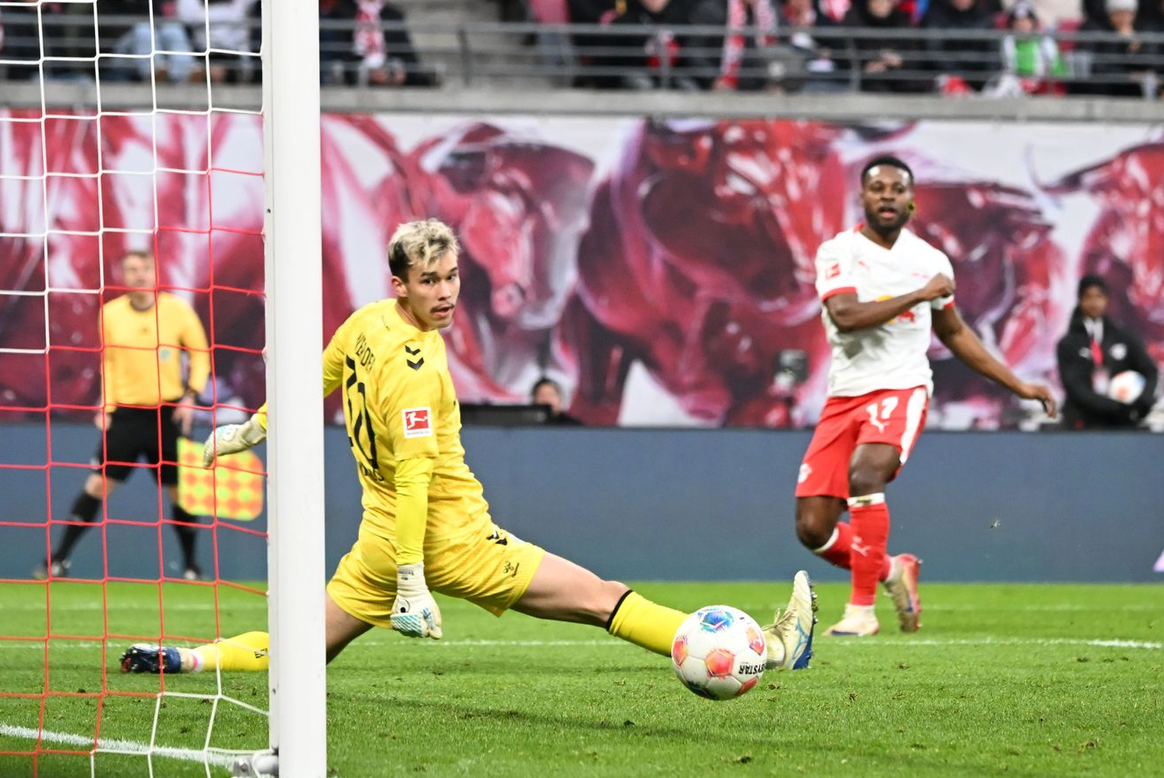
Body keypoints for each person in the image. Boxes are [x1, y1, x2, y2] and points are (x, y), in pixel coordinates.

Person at [120, 220, 816, 675]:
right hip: (450, 540)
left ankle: (188, 660)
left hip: (381, 538)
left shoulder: (365, 323)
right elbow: (416, 476)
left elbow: (313, 382)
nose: (446, 292)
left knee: (304, 651)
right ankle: (769, 652)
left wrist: (252, 428)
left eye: (452, 276)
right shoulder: (418, 367)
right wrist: (413, 580)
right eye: (430, 281)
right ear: (400, 284)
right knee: (602, 599)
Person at [795, 158, 1056, 638]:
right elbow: (846, 316)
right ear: (862, 197)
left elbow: (954, 333)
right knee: (814, 528)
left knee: (866, 474)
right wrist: (919, 295)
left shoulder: (931, 261)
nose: (887, 195)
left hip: (902, 385)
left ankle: (861, 612)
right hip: (844, 395)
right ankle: (893, 569)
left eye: (897, 188)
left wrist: (1017, 384)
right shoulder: (839, 252)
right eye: (878, 188)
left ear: (911, 200)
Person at [36, 250, 211, 580]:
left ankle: (192, 566)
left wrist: (191, 397)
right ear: (123, 276)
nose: (139, 274)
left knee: (180, 492)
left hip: (168, 415)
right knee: (97, 485)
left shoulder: (177, 311)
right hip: (126, 417)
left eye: (145, 268)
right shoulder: (110, 314)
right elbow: (110, 362)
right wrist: (106, 404)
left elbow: (201, 356)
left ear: (155, 272)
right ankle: (58, 561)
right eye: (132, 269)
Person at [1056, 275, 1160, 429]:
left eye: (1098, 296)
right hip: (1082, 424)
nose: (1094, 302)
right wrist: (1114, 406)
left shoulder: (1125, 337)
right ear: (1080, 300)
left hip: (1122, 424)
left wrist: (1143, 402)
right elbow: (1075, 387)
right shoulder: (1068, 344)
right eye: (1088, 297)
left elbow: (1151, 371)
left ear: (1106, 300)